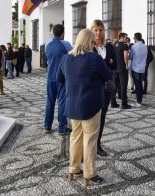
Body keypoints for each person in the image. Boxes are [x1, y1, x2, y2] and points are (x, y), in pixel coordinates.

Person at [58, 28, 110, 187]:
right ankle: (90, 173)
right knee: (90, 140)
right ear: (89, 42)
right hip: (91, 106)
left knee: (75, 137)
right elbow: (107, 76)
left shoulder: (65, 58)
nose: (95, 44)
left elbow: (59, 79)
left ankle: (73, 169)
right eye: (93, 41)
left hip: (72, 105)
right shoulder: (94, 58)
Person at [91, 20, 117, 157]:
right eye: (95, 30)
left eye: (100, 30)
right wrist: (107, 62)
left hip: (106, 87)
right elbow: (90, 67)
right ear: (91, 31)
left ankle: (98, 144)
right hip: (93, 87)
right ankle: (89, 145)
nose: (98, 32)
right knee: (91, 116)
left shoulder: (110, 47)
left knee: (102, 115)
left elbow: (115, 65)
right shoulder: (89, 47)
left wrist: (106, 63)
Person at [44, 24, 73, 135]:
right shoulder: (66, 44)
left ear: (53, 32)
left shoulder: (48, 44)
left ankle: (47, 126)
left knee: (50, 102)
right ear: (63, 34)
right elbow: (72, 56)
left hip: (50, 77)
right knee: (62, 102)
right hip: (62, 78)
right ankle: (62, 127)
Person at [129, 32, 147, 107]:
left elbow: (130, 56)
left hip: (135, 68)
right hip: (142, 68)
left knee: (137, 85)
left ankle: (139, 102)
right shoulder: (145, 46)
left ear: (135, 38)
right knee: (140, 84)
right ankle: (140, 100)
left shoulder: (133, 47)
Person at [115, 33, 132, 109]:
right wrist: (126, 65)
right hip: (122, 68)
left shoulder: (114, 45)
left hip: (115, 68)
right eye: (125, 37)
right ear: (121, 37)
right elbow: (126, 56)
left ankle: (113, 102)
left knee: (115, 85)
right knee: (123, 85)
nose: (126, 38)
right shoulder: (125, 45)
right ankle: (124, 104)